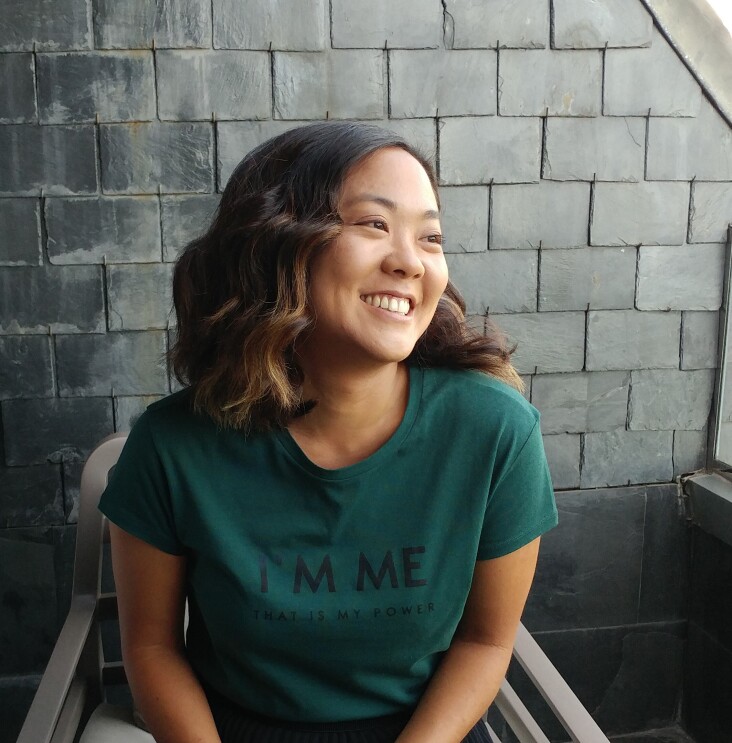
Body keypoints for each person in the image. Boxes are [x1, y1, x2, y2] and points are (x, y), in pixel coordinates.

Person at [99, 121, 558, 743]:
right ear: (275, 243)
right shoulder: (173, 445)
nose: (408, 261)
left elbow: (485, 640)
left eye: (430, 236)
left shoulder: (493, 430)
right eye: (374, 224)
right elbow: (152, 648)